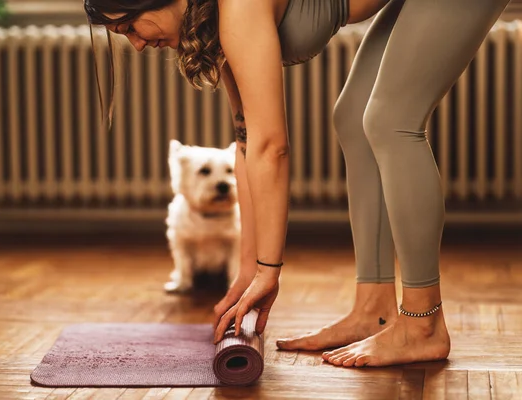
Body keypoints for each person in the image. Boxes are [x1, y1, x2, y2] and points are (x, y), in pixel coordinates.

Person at [83, 0, 511, 367]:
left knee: (391, 120)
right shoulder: (211, 18)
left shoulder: (238, 6)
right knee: (355, 119)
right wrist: (248, 271)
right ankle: (373, 309)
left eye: (129, 27)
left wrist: (270, 272)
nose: (136, 44)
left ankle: (424, 324)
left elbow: (273, 147)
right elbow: (248, 140)